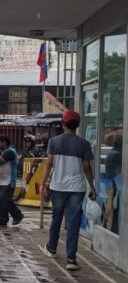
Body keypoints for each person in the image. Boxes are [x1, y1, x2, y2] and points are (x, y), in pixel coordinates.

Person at [40, 110, 97, 271]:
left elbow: (49, 163)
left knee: (56, 218)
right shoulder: (84, 144)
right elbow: (86, 167)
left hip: (58, 187)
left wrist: (43, 183)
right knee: (73, 222)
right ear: (77, 125)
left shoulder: (54, 142)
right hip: (76, 188)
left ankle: (51, 248)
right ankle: (71, 259)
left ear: (63, 124)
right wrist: (92, 187)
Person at [0, 135, 24, 227]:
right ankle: (2, 219)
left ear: (4, 143)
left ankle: (18, 215)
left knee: (5, 199)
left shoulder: (10, 151)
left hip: (8, 181)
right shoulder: (3, 152)